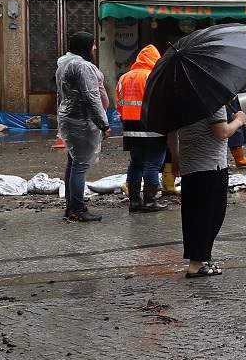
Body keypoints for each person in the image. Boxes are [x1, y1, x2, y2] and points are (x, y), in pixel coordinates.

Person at [172, 95, 246, 277]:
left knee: (193, 215)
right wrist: (239, 120)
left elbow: (172, 133)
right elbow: (221, 132)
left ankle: (201, 258)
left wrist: (175, 159)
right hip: (211, 166)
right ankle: (196, 263)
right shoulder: (212, 100)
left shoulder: (179, 101)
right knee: (210, 216)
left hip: (190, 166)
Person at [56, 32, 110, 223]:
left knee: (73, 162)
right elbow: (92, 96)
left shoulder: (63, 64)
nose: (95, 48)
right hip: (81, 121)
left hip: (69, 119)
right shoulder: (82, 66)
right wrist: (104, 124)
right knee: (79, 165)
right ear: (86, 46)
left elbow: (61, 96)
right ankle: (78, 209)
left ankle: (71, 207)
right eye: (93, 45)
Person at [116, 44, 167, 213]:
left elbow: (119, 103)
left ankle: (134, 202)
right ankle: (150, 201)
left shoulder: (124, 77)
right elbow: (160, 102)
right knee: (152, 163)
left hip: (130, 126)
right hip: (152, 124)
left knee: (136, 162)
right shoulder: (152, 76)